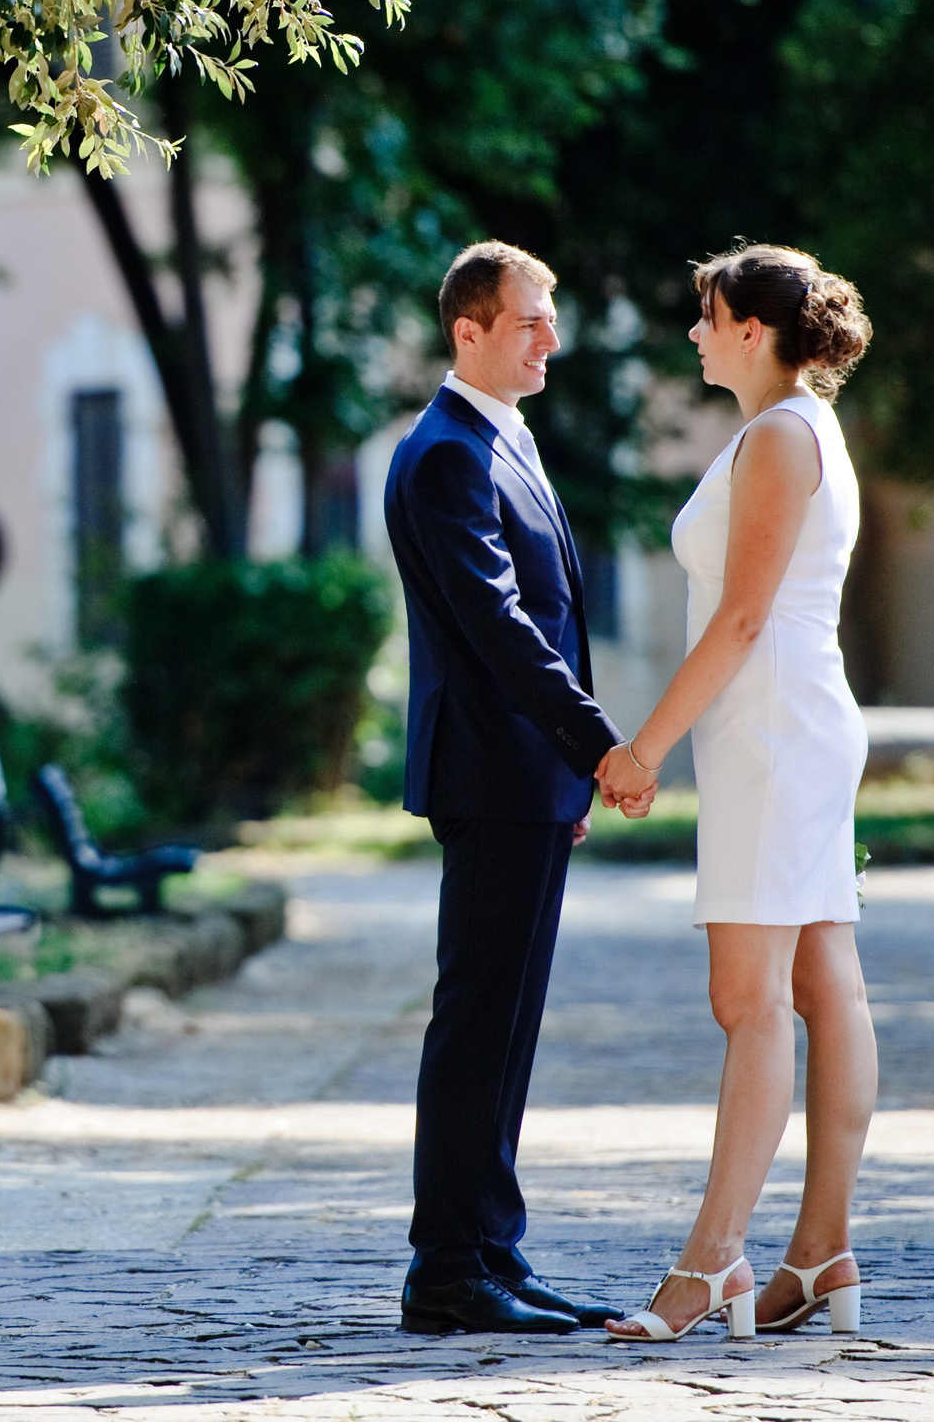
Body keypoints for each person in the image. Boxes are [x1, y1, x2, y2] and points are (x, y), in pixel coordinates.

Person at [595, 243, 879, 1344]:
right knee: (821, 979)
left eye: (706, 317)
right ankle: (820, 1251)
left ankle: (711, 1260)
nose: (694, 334)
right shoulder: (802, 426)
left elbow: (744, 616)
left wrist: (644, 750)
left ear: (752, 330)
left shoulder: (777, 436)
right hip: (793, 724)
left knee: (747, 998)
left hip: (772, 732)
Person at [382, 242, 637, 1336]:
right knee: (479, 1022)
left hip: (525, 778)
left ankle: (491, 1249)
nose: (550, 340)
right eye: (530, 321)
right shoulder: (447, 453)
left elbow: (548, 615)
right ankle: (446, 1271)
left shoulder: (501, 438)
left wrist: (567, 769)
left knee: (506, 1027)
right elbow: (501, 629)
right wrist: (598, 746)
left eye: (550, 319)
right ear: (469, 331)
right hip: (490, 774)